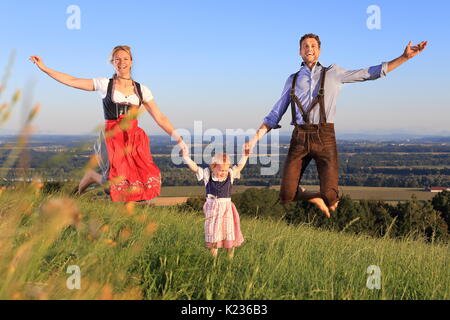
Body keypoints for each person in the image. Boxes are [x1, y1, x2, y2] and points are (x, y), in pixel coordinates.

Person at [245, 34, 427, 217]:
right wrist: (253, 141)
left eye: (313, 45)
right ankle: (313, 196)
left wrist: (404, 58)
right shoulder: (292, 79)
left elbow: (368, 73)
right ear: (300, 52)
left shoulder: (333, 73)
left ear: (319, 51)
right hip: (299, 137)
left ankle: (325, 196)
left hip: (325, 137)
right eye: (305, 46)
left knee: (331, 199)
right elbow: (275, 113)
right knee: (286, 195)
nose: (309, 48)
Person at [30, 45, 187, 202]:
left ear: (131, 62)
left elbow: (160, 118)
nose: (121, 62)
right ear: (112, 63)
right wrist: (45, 68)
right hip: (112, 136)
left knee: (143, 182)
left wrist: (179, 140)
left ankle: (125, 216)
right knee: (114, 183)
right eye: (117, 59)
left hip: (134, 138)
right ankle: (92, 177)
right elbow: (73, 81)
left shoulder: (142, 90)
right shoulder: (105, 84)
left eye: (125, 58)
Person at [182, 150, 249, 259]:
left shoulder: (230, 175)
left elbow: (239, 167)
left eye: (226, 170)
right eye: (221, 170)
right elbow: (194, 168)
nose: (224, 172)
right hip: (212, 208)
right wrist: (186, 158)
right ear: (213, 167)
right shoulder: (207, 174)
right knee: (213, 234)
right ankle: (214, 261)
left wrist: (245, 156)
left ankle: (230, 260)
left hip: (226, 208)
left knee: (229, 233)